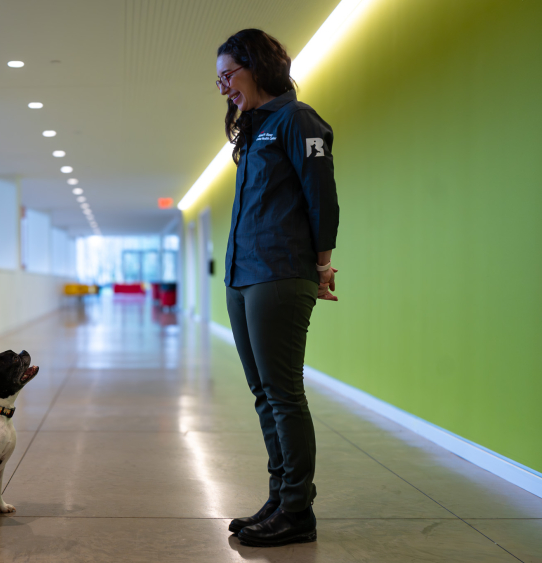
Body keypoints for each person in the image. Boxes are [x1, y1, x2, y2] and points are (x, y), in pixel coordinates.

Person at [216, 29, 340, 547]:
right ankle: (278, 498)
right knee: (264, 395)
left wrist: (322, 262)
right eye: (219, 80)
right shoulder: (255, 130)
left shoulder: (297, 119)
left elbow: (321, 196)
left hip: (279, 273)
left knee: (285, 395)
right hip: (243, 277)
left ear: (257, 64)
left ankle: (297, 511)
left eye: (229, 75)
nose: (224, 88)